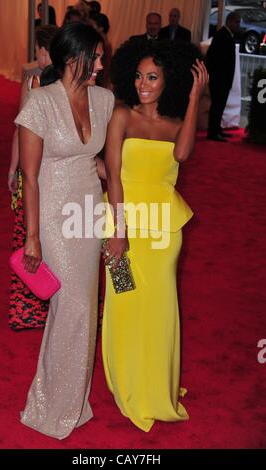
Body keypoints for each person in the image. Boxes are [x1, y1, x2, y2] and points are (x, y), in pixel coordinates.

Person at [102, 39, 208, 432]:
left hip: (164, 234)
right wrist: (118, 232)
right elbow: (114, 176)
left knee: (160, 311)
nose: (144, 84)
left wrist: (196, 95)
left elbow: (181, 156)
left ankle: (157, 388)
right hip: (118, 227)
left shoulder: (176, 125)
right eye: (139, 76)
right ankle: (128, 383)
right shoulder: (121, 116)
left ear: (169, 82)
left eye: (153, 77)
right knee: (123, 304)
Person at [15, 22, 114, 439]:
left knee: (84, 308)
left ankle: (73, 401)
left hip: (91, 210)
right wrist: (32, 235)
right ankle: (50, 406)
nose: (101, 63)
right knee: (70, 307)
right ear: (72, 58)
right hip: (54, 215)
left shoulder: (105, 100)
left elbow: (103, 165)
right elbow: (30, 176)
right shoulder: (40, 102)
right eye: (95, 56)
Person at [8, 25, 58, 331]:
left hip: (37, 171)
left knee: (30, 235)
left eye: (39, 49)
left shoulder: (35, 82)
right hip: (54, 172)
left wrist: (13, 168)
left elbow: (20, 130)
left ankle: (31, 310)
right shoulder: (71, 84)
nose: (37, 56)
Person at [206, 11, 240, 142]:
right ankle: (213, 132)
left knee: (220, 106)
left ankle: (217, 129)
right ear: (229, 21)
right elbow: (213, 58)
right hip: (219, 80)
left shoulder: (226, 35)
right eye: (237, 22)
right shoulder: (222, 35)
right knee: (217, 106)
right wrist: (215, 77)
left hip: (222, 79)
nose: (238, 25)